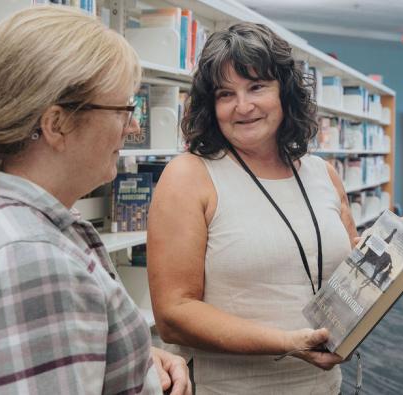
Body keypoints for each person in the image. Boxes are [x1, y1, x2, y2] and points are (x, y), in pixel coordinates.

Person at [0, 6, 190, 394]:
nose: (134, 125)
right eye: (123, 109)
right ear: (56, 124)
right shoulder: (28, 261)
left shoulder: (8, 218)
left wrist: (135, 362)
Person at [147, 22, 356, 394]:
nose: (242, 106)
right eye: (225, 94)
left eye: (256, 87)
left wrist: (384, 254)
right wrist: (288, 342)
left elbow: (346, 275)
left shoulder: (322, 173)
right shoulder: (190, 176)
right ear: (210, 106)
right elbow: (173, 315)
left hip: (322, 385)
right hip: (227, 386)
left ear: (285, 92)